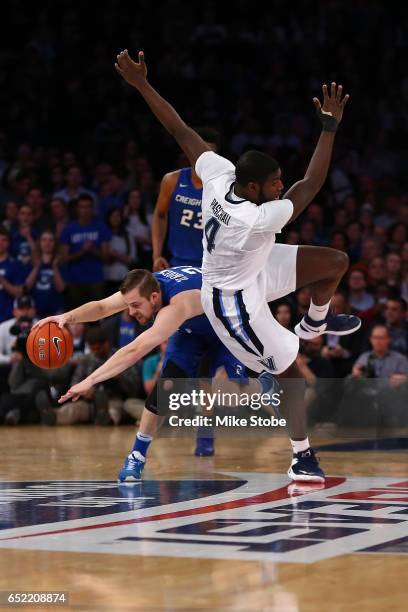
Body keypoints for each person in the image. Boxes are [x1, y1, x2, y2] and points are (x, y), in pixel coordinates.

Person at [114, 49, 361, 482]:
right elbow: (313, 183)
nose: (281, 187)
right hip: (232, 298)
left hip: (255, 264)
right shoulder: (256, 217)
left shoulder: (218, 175)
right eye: (274, 184)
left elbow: (180, 129)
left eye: (280, 181)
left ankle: (314, 323)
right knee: (289, 372)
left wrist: (142, 85)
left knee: (334, 262)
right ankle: (301, 456)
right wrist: (330, 128)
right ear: (253, 187)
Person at [34, 267, 253, 481]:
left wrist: (89, 380)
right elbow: (101, 307)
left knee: (235, 390)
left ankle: (271, 429)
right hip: (190, 332)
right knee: (165, 389)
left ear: (155, 297)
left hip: (225, 328)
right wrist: (66, 317)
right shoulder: (142, 286)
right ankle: (136, 456)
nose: (131, 312)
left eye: (136, 306)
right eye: (129, 305)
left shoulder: (177, 303)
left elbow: (134, 350)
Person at [151, 127, 220, 271]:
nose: (204, 159)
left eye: (209, 154)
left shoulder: (224, 187)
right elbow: (159, 215)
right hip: (177, 263)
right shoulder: (172, 180)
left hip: (214, 267)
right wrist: (157, 255)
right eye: (200, 153)